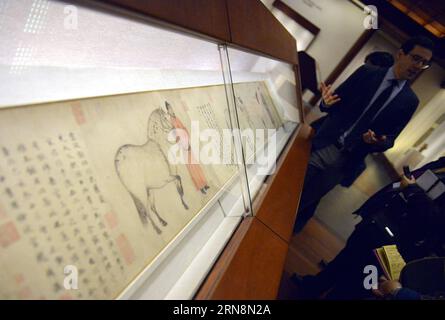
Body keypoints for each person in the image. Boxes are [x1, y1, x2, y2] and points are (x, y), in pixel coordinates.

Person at [293, 36, 434, 233]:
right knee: (289, 191)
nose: (418, 66)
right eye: (416, 58)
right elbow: (332, 103)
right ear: (401, 54)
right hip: (325, 145)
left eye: (424, 63)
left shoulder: (410, 101)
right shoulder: (367, 73)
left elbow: (391, 139)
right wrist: (325, 103)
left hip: (346, 162)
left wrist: (380, 142)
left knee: (304, 203)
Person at [291, 158, 445, 300]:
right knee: (348, 256)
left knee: (360, 279)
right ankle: (314, 286)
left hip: (397, 240)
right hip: (380, 221)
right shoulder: (442, 163)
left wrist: (411, 190)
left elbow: (435, 221)